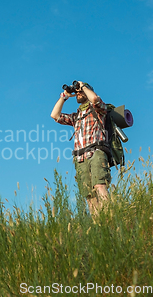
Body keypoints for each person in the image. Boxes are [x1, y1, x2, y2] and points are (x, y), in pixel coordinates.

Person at [50, 81, 111, 215]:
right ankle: (98, 225)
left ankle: (109, 218)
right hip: (80, 157)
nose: (78, 94)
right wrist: (64, 96)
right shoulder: (76, 116)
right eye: (76, 92)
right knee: (89, 195)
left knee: (100, 186)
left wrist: (83, 86)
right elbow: (55, 115)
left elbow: (94, 99)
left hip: (96, 151)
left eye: (81, 92)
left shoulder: (98, 108)